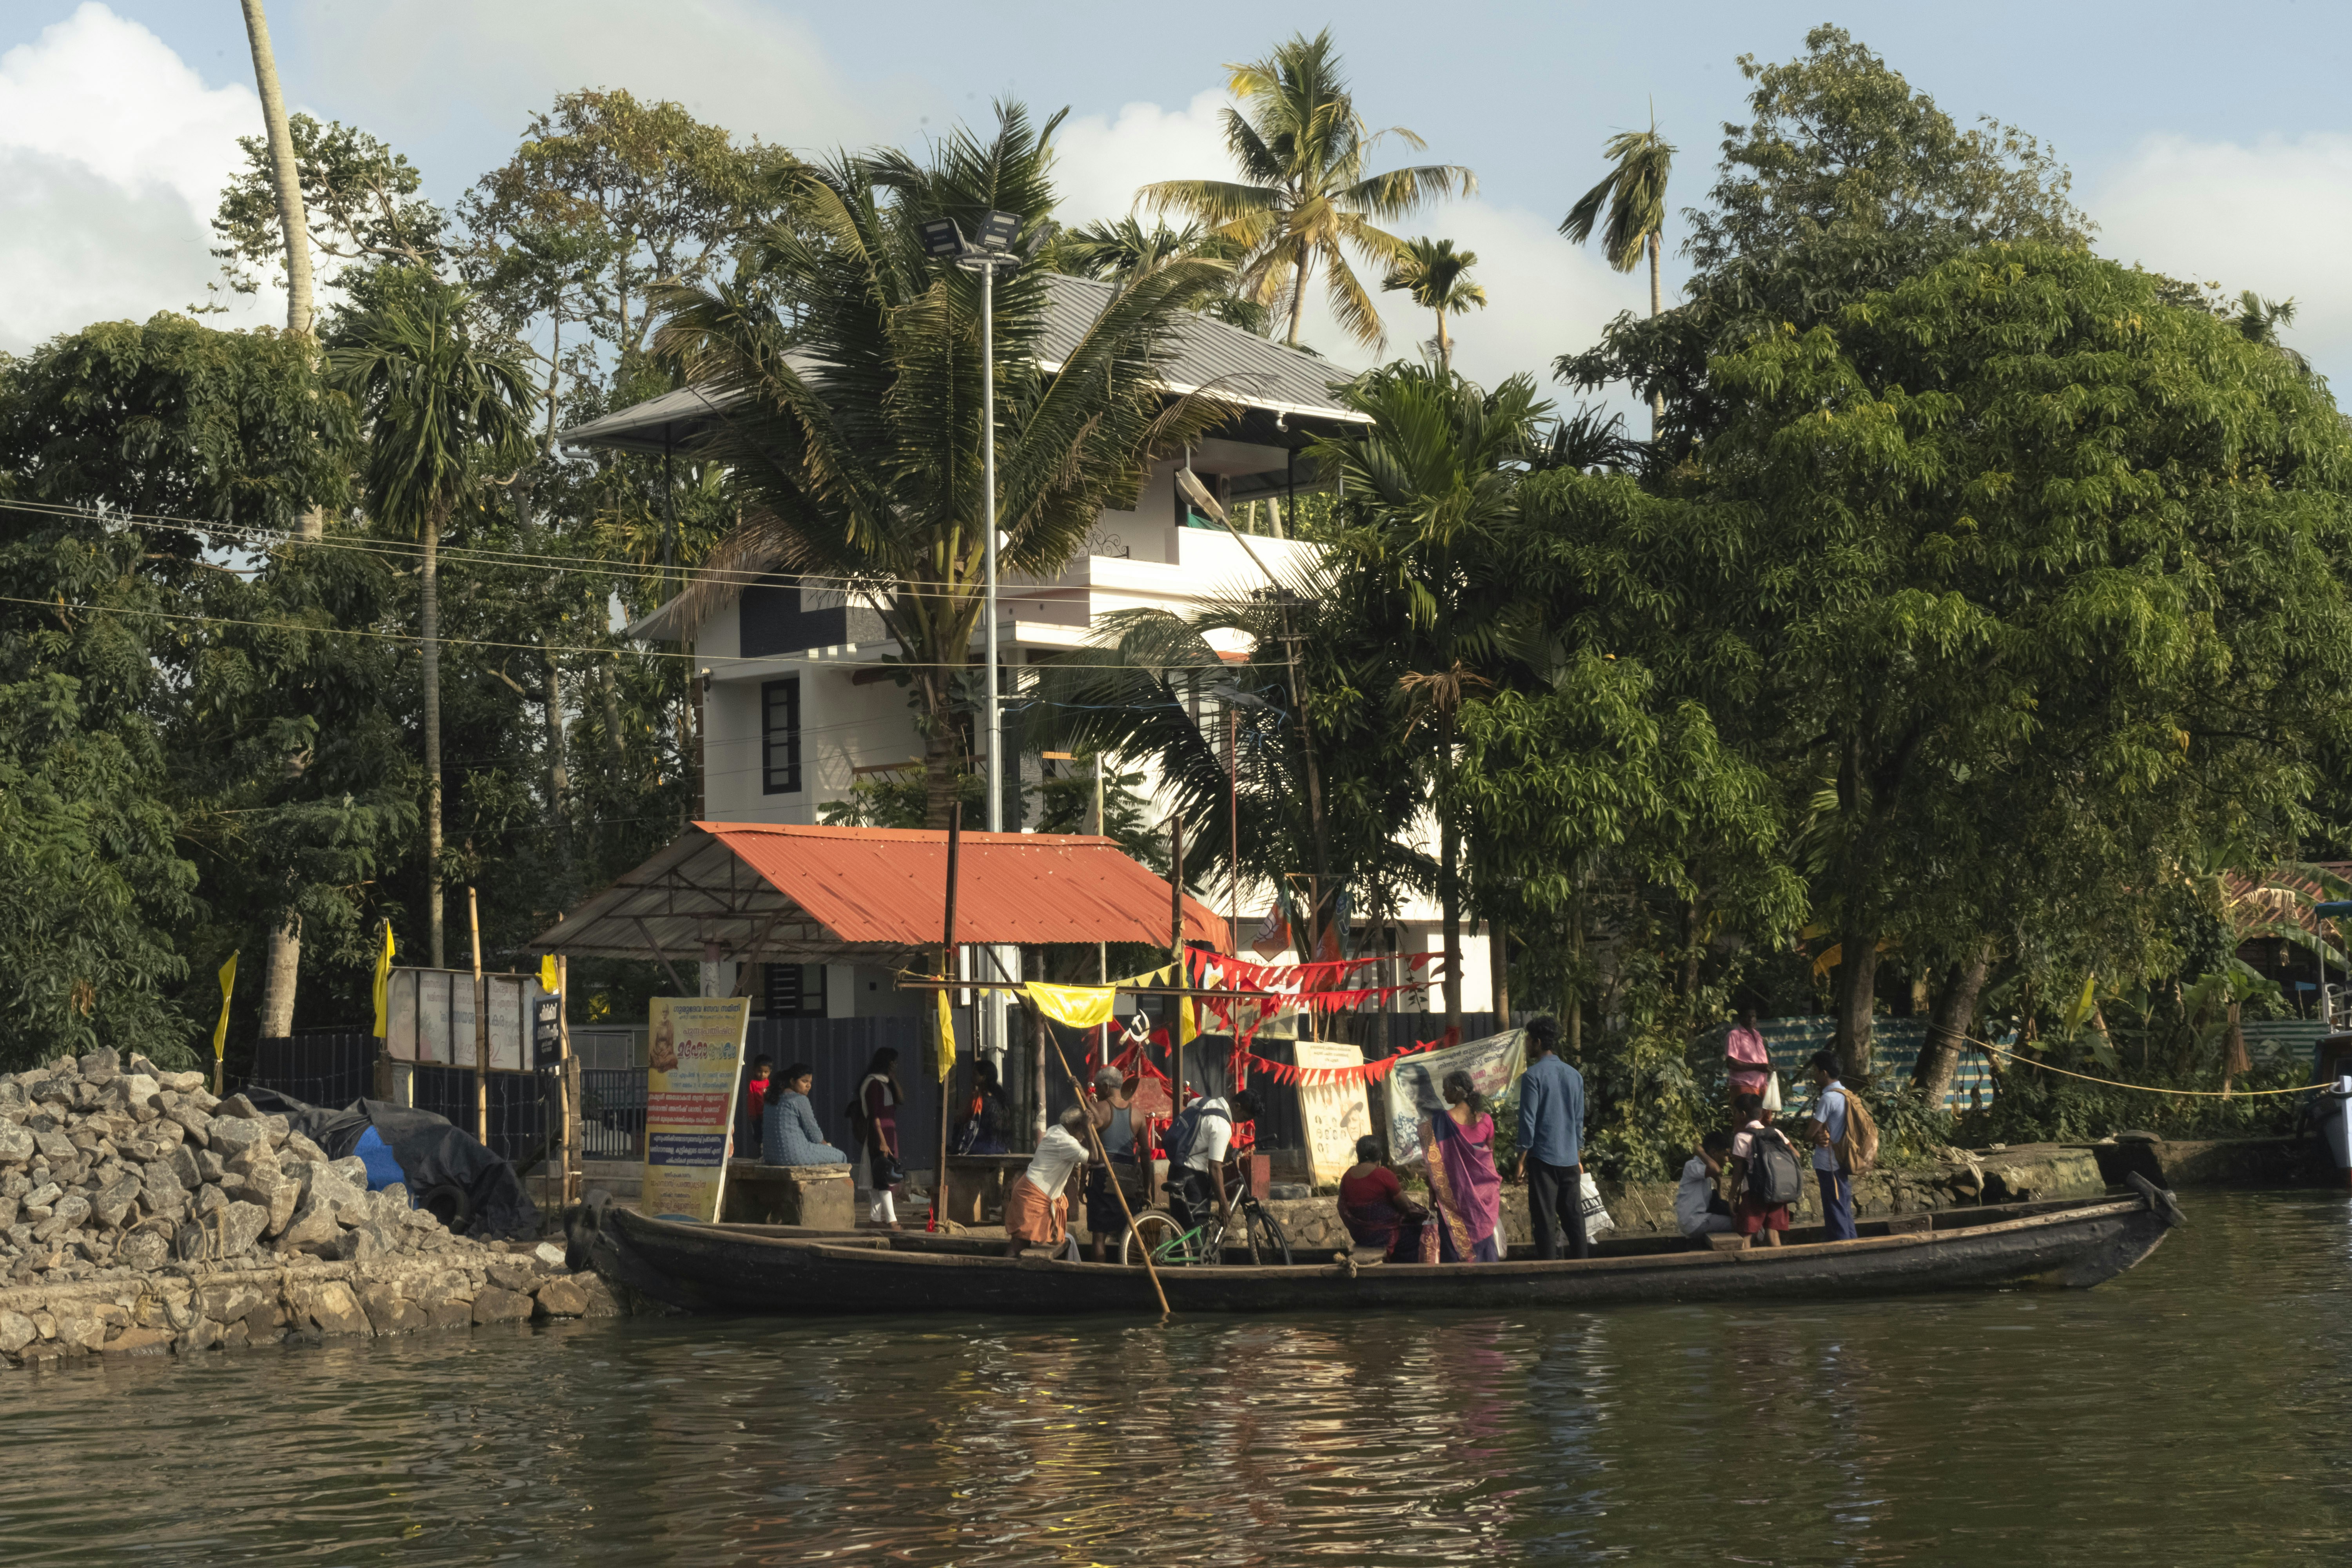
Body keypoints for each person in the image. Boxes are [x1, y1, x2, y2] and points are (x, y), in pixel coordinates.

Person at [1512, 1014, 1589, 1260]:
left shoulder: (1533, 1076)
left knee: (1545, 1221)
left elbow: (1528, 1121)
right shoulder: (1574, 1075)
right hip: (1569, 1159)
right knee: (1574, 1219)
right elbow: (1578, 1122)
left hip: (1543, 1159)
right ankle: (1584, 1269)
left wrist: (1521, 1159)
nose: (1526, 1044)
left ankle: (1549, 1272)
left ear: (1537, 1041)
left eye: (1527, 1040)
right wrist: (1577, 1156)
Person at [1421, 1069, 1504, 1262]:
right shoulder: (1486, 1120)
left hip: (1454, 1197)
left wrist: (1433, 1192)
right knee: (1484, 1242)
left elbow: (1435, 1164)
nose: (1443, 1095)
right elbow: (1487, 1160)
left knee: (1453, 1246)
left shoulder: (1440, 1122)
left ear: (1457, 1092)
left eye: (1446, 1090)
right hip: (1484, 1198)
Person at [1169, 1088, 1263, 1237]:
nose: (1242, 1122)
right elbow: (1214, 1168)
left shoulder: (1200, 1102)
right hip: (1194, 1179)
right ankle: (1191, 1260)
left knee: (1179, 1231)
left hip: (1176, 1170)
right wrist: (1224, 1204)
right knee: (1196, 1235)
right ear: (1237, 1106)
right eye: (1244, 1118)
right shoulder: (1223, 1126)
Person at [1005, 1106, 1092, 1259]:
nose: (1084, 1136)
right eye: (1082, 1130)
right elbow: (1095, 1159)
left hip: (1031, 1192)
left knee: (1022, 1244)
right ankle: (1000, 1277)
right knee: (1019, 1245)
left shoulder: (1057, 1130)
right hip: (1033, 1197)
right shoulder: (1067, 1142)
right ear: (1076, 1126)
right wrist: (1089, 1130)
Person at [1081, 1065, 1147, 1261]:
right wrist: (1148, 1186)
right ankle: (1131, 1273)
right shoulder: (1138, 1114)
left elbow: (1088, 1152)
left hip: (1102, 1178)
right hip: (1128, 1178)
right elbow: (1147, 1154)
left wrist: (1081, 1183)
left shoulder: (1097, 1110)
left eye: (1098, 1088)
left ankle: (1100, 1279)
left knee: (1099, 1235)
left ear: (1107, 1087)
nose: (1097, 1093)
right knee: (1130, 1232)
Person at [1338, 1134, 1428, 1261]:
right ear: (1379, 1155)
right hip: (1386, 1236)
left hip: (1361, 1237)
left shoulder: (1347, 1176)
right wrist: (1426, 1217)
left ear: (1359, 1154)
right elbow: (1408, 1207)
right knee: (1420, 1234)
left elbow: (1341, 1208)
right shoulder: (1383, 1175)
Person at [1728, 1093, 1795, 1247]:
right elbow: (1795, 1155)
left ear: (1743, 1115)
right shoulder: (1776, 1133)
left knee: (1746, 1235)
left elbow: (1738, 1171)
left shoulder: (1742, 1137)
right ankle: (1780, 1268)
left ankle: (1746, 1269)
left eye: (1735, 1113)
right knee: (1773, 1235)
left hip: (1754, 1193)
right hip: (1778, 1191)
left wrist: (1732, 1196)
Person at [1808, 1050, 1858, 1241]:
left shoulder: (1828, 1098)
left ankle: (1842, 1251)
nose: (1814, 1075)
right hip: (1843, 1160)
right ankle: (1854, 1248)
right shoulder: (1847, 1095)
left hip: (1829, 1163)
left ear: (1824, 1073)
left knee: (1835, 1211)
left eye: (1815, 1071)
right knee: (1844, 1210)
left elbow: (1810, 1133)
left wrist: (1812, 1137)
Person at [855, 1047, 907, 1229]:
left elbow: (901, 1098)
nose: (896, 1065)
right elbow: (874, 1115)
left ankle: (875, 1220)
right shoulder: (874, 1084)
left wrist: (893, 1078)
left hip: (889, 1134)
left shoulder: (885, 1083)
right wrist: (883, 1141)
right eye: (893, 1062)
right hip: (880, 1135)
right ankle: (892, 1221)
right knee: (885, 1178)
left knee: (880, 1179)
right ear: (886, 1063)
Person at [762, 1063, 848, 1167]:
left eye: (810, 1082)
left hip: (770, 1157)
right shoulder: (799, 1099)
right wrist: (827, 1146)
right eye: (804, 1081)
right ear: (792, 1081)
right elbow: (814, 1133)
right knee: (841, 1156)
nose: (809, 1086)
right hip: (793, 1156)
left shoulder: (770, 1099)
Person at [1675, 1129, 1737, 1241]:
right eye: (1726, 1155)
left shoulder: (1704, 1173)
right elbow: (1717, 1170)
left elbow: (1714, 1204)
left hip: (1699, 1220)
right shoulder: (1693, 1166)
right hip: (1695, 1222)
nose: (1727, 1160)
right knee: (1740, 1224)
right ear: (1713, 1153)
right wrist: (1701, 1152)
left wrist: (1719, 1183)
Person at [960, 1058, 1011, 1156]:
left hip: (985, 1148)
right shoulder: (1001, 1095)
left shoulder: (982, 1098)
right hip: (1002, 1147)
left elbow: (965, 1119)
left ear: (984, 1078)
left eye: (975, 1074)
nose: (972, 1077)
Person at [1726, 1008, 1770, 1101]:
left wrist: (1768, 1067)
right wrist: (1757, 1067)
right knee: (1747, 1116)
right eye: (1748, 1017)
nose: (1751, 1019)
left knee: (1765, 1116)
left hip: (1762, 1086)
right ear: (1741, 1018)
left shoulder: (1758, 1035)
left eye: (1753, 1016)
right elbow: (1731, 1063)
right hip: (1744, 1086)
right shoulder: (1734, 1035)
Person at [738, 1056, 774, 1154]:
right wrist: (753, 1115)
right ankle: (761, 1152)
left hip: (768, 1114)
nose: (762, 1075)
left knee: (769, 1133)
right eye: (760, 1071)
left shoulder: (769, 1084)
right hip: (757, 1116)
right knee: (759, 1135)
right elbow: (751, 1100)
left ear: (770, 1072)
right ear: (754, 1070)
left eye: (766, 1072)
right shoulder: (753, 1084)